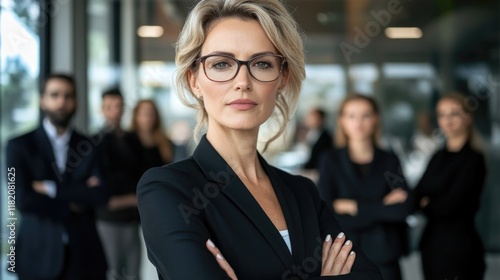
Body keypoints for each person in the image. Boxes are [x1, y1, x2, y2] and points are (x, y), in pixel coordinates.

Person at [137, 1, 382, 279]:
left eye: (262, 63)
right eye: (221, 64)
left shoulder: (302, 193)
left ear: (281, 79)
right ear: (195, 80)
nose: (242, 81)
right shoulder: (167, 189)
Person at [6, 73, 109, 280]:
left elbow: (101, 195)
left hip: (85, 255)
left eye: (68, 96)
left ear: (76, 101)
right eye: (55, 95)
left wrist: (50, 189)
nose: (62, 101)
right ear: (42, 100)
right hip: (36, 254)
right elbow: (21, 199)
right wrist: (76, 199)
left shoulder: (91, 145)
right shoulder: (18, 146)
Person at [317, 94, 413, 280]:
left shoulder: (389, 161)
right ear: (342, 121)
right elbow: (326, 211)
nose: (358, 122)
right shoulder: (330, 160)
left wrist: (353, 207)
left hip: (386, 256)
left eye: (366, 115)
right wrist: (382, 206)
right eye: (351, 116)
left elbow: (404, 209)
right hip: (345, 257)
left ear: (376, 119)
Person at [414, 93, 486, 280]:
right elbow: (417, 194)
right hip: (432, 246)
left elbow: (452, 205)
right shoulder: (437, 156)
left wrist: (427, 204)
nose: (448, 120)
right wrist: (424, 201)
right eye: (442, 114)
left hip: (460, 248)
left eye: (454, 113)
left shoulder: (473, 159)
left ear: (468, 118)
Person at [95, 89, 144, 280]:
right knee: (113, 271)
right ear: (102, 109)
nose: (115, 111)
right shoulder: (95, 142)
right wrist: (130, 198)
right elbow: (102, 183)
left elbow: (139, 173)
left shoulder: (132, 139)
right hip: (109, 217)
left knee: (133, 272)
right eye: (109, 107)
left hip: (132, 217)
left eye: (119, 106)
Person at [130, 99, 173, 169]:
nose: (148, 118)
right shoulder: (128, 140)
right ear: (136, 116)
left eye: (151, 114)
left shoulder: (165, 143)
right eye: (144, 114)